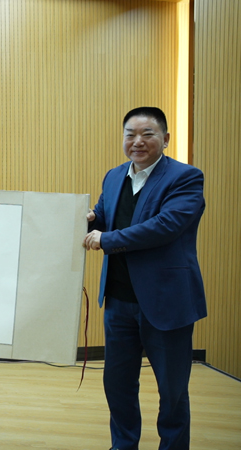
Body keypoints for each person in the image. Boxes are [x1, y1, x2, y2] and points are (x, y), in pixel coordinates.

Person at [83, 107, 206, 450]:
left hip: (166, 301)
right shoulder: (113, 176)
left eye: (147, 134)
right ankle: (123, 445)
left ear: (165, 139)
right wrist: (88, 219)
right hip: (118, 301)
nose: (137, 141)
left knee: (172, 390)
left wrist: (107, 239)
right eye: (130, 134)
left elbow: (165, 226)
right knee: (118, 384)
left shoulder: (186, 177)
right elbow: (105, 217)